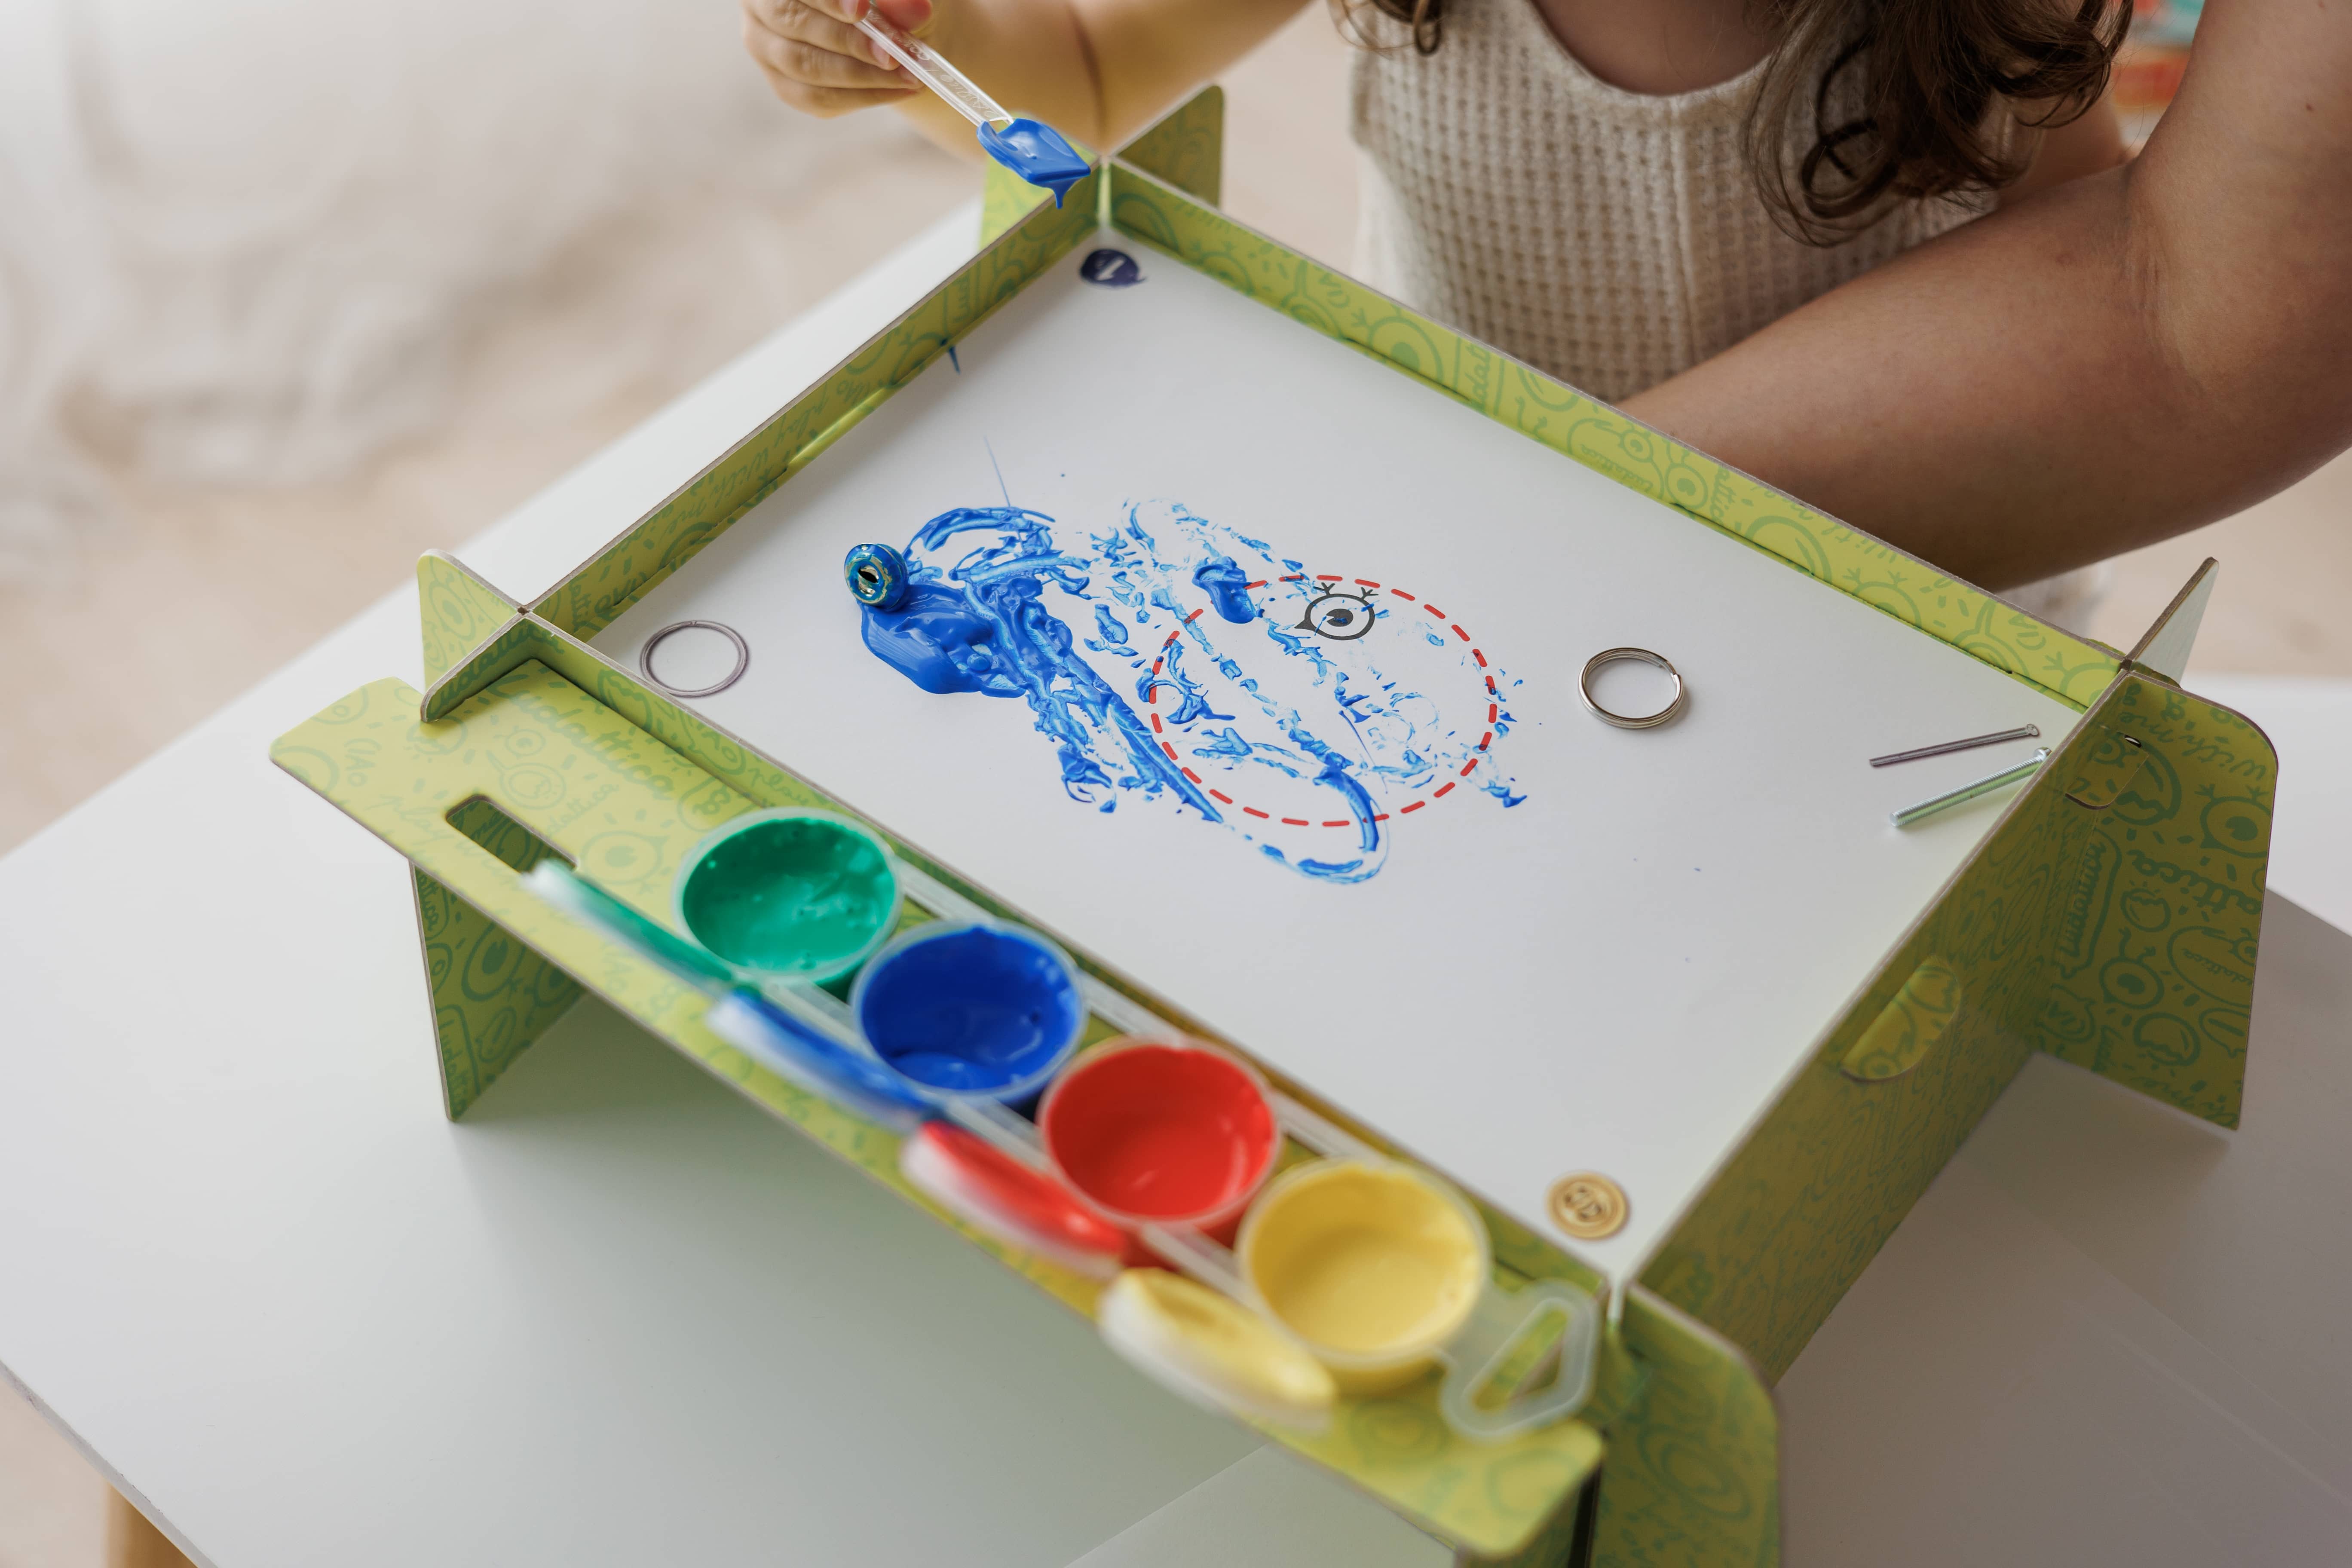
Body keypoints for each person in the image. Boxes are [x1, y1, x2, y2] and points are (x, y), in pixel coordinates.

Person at [739, 0, 2352, 604]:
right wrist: (917, 46)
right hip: (1468, 549)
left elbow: (2087, 279)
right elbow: (1085, 81)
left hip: (1888, 586)